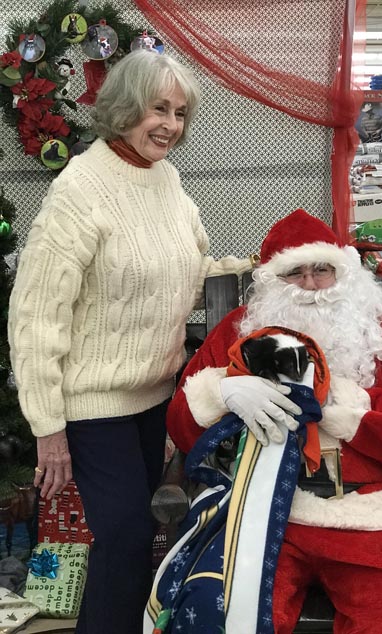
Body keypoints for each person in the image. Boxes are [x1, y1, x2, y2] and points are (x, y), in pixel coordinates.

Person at [8, 49, 252, 634]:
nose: (170, 124)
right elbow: (36, 315)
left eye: (179, 112)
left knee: (134, 543)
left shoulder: (164, 179)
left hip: (154, 399)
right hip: (94, 408)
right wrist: (48, 428)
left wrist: (268, 272)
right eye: (156, 109)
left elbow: (190, 269)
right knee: (127, 537)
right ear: (122, 109)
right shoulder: (80, 190)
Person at [145, 208, 382, 634]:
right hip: (262, 510)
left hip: (372, 515)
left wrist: (344, 404)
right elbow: (183, 426)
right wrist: (219, 392)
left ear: (344, 274)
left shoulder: (381, 338)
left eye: (322, 270)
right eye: (295, 273)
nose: (312, 285)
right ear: (272, 283)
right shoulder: (236, 333)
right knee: (216, 618)